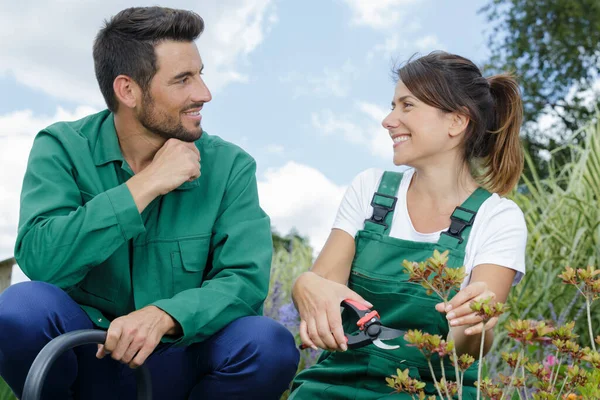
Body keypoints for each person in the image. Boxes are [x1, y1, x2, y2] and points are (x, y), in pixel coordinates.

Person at [0, 6, 299, 399]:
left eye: (200, 74)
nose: (203, 94)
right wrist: (147, 184)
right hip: (86, 357)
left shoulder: (230, 166)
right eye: (183, 80)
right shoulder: (62, 147)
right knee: (20, 309)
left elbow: (243, 282)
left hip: (179, 360)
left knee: (268, 343)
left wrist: (165, 316)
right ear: (128, 90)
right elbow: (40, 259)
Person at [289, 51, 527, 398]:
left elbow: (466, 351)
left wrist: (474, 321)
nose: (388, 120)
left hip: (433, 390)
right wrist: (305, 285)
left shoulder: (498, 218)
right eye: (392, 105)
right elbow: (325, 291)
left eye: (407, 106)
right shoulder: (370, 190)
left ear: (456, 123)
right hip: (337, 384)